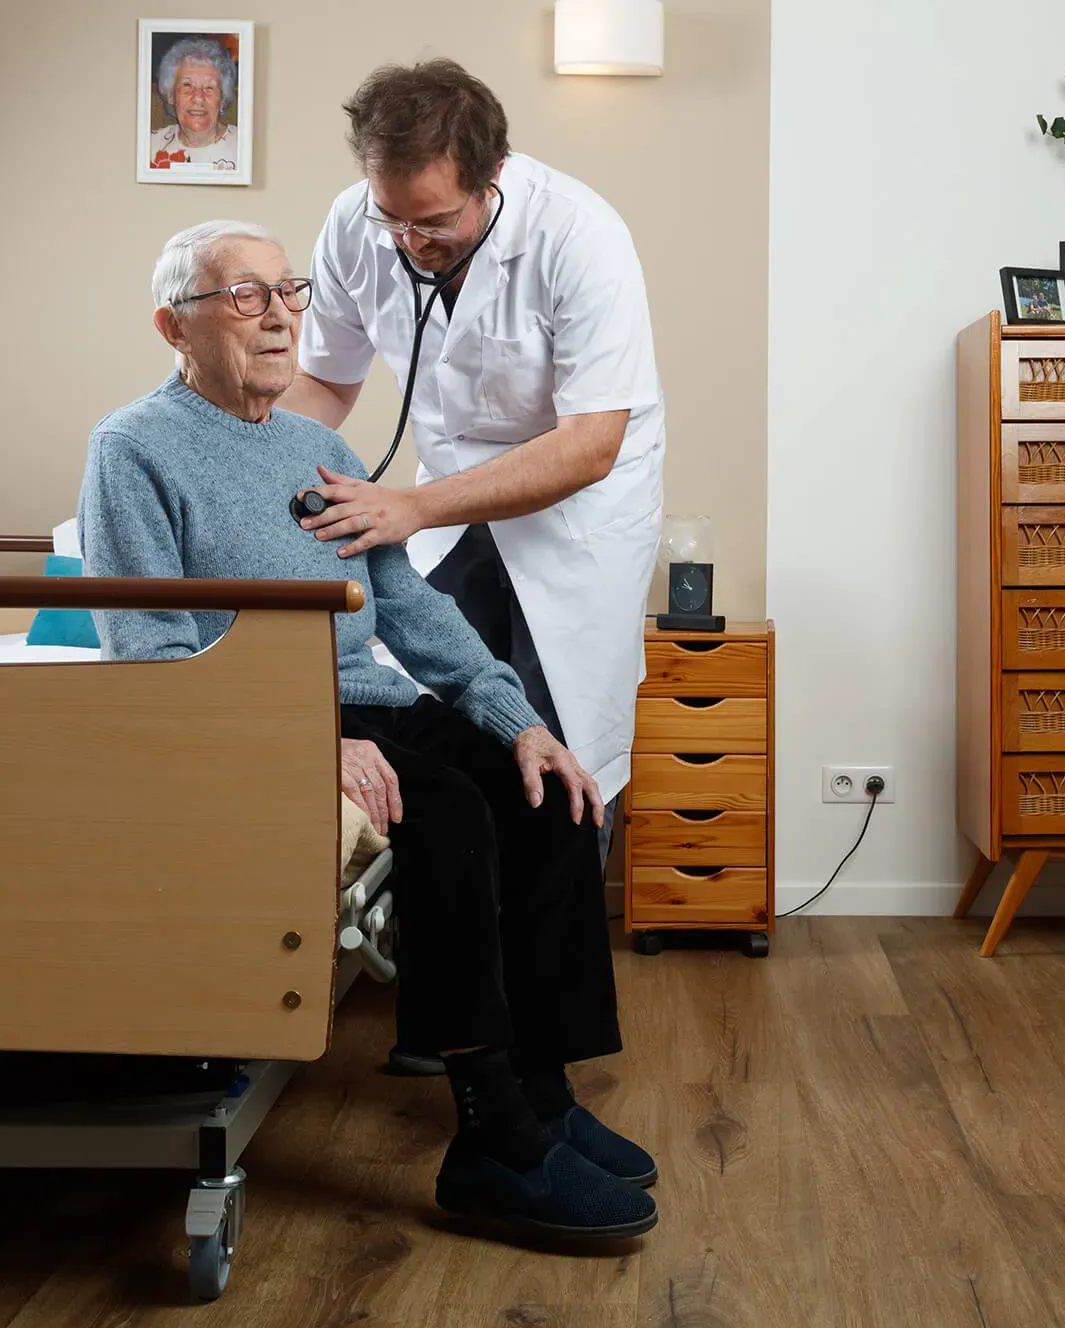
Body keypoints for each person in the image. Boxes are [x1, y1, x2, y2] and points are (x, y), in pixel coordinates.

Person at [78, 219, 658, 1242]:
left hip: (370, 705)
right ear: (175, 325)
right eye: (246, 297)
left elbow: (411, 610)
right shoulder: (132, 448)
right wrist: (303, 745)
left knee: (552, 792)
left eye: (288, 292)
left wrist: (516, 718)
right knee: (447, 817)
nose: (280, 316)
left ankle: (546, 1095)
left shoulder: (316, 448)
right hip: (258, 714)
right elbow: (150, 658)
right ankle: (491, 1140)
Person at [277, 58, 664, 852]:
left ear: (492, 177)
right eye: (396, 220)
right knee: (429, 721)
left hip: (573, 517)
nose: (411, 243)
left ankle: (560, 959)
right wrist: (247, 451)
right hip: (449, 510)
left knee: (561, 750)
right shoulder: (358, 225)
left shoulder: (579, 236)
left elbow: (592, 444)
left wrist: (410, 508)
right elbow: (323, 380)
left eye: (435, 223)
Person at [147, 36, 241, 173]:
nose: (198, 98)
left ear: (222, 99)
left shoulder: (245, 146)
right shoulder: (149, 145)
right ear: (171, 95)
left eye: (209, 87)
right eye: (187, 85)